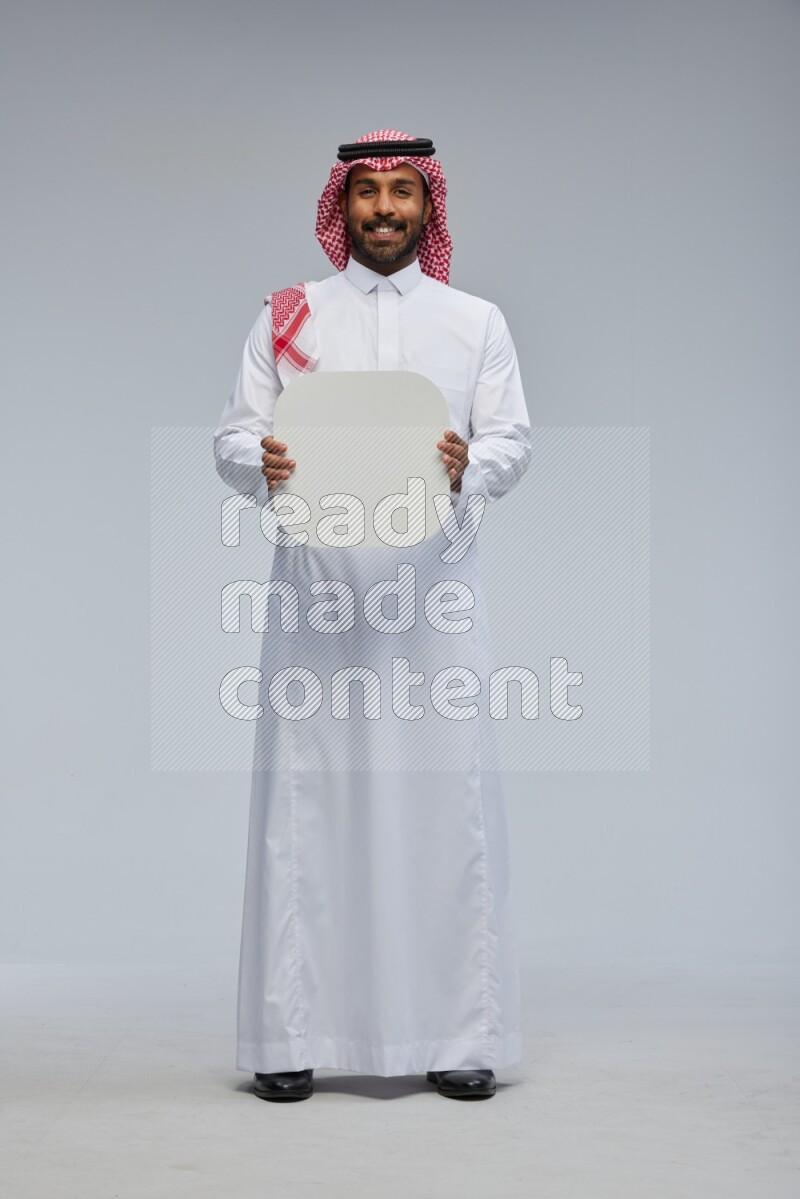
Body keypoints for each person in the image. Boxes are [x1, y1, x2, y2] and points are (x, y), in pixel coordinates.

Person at [213, 130, 531, 1102]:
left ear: (427, 207)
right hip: (315, 598)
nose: (384, 209)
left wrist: (462, 465)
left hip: (431, 599)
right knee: (308, 810)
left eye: (402, 193)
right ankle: (290, 1032)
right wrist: (253, 460)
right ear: (340, 206)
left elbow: (510, 440)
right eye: (367, 194)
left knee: (444, 805)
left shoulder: (474, 321)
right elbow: (232, 431)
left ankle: (456, 1033)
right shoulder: (288, 316)